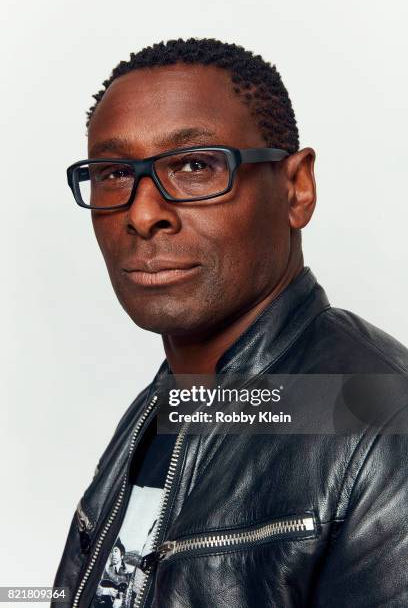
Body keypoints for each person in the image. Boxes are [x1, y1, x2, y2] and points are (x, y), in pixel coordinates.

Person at [53, 38, 408, 607]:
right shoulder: (161, 407)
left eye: (195, 165)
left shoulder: (383, 425)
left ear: (297, 188)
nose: (143, 214)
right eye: (114, 172)